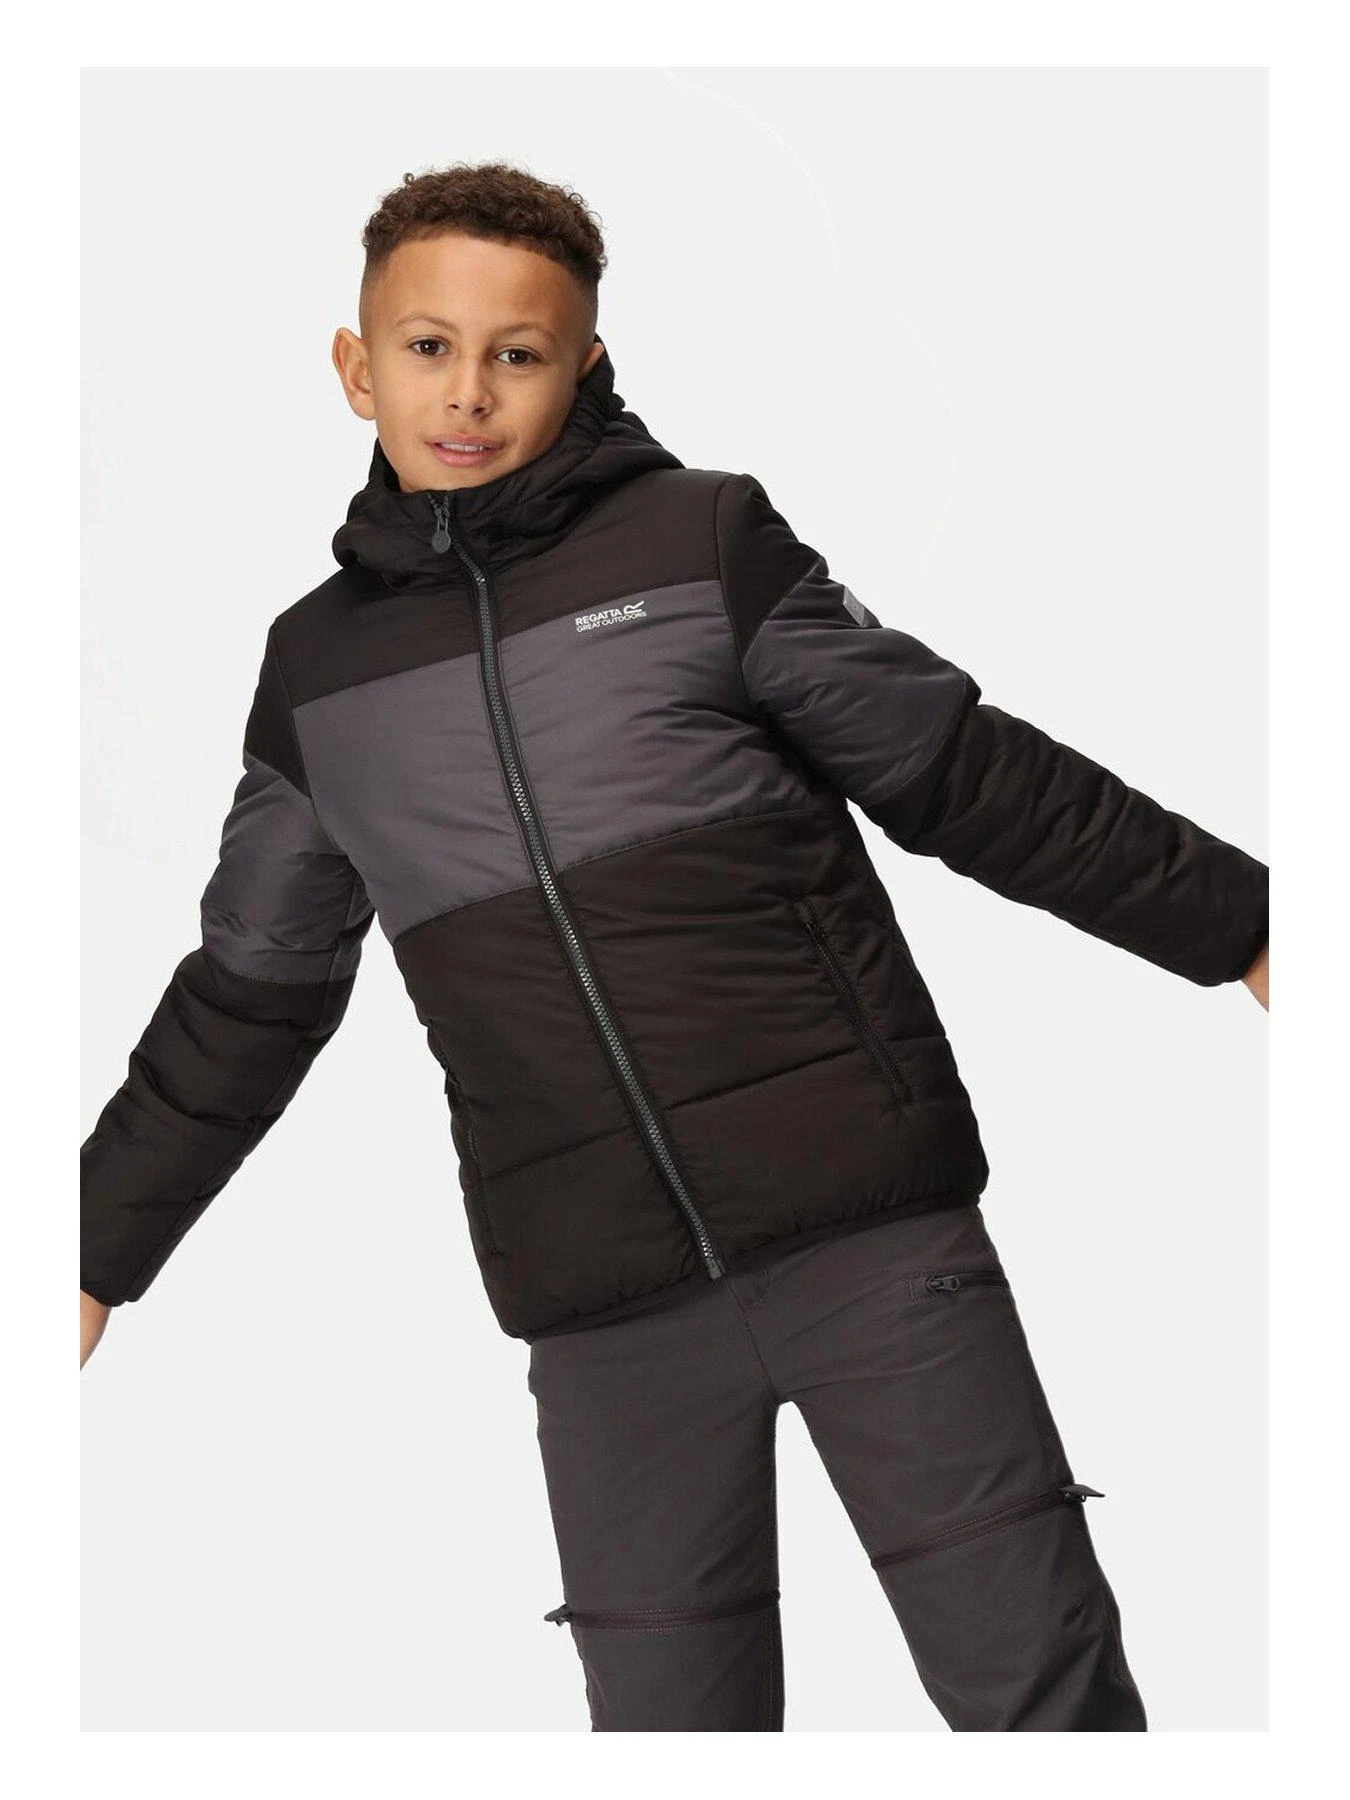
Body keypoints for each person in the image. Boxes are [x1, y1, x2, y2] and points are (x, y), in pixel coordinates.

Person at [81, 159, 1269, 1730]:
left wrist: (1251, 927)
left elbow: (965, 775)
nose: (466, 391)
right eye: (428, 347)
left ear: (582, 362)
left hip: (870, 1241)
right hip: (603, 1305)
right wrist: (86, 1252)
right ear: (357, 365)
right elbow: (250, 994)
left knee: (1036, 1698)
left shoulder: (700, 545)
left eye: (516, 352)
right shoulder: (317, 677)